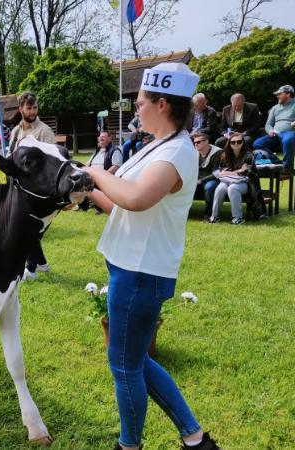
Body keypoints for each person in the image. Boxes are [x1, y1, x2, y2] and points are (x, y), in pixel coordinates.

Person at [82, 62, 221, 450]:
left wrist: (94, 173)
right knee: (136, 360)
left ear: (161, 103)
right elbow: (120, 205)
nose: (135, 108)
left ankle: (129, 446)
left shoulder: (175, 151)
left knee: (124, 366)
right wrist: (83, 190)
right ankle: (195, 439)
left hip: (140, 272)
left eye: (140, 102)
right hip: (130, 266)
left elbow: (137, 198)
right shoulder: (157, 146)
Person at [11, 92, 56, 281]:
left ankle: (30, 269)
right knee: (26, 229)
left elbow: (54, 163)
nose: (32, 111)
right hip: (20, 190)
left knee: (28, 230)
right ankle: (42, 264)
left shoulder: (44, 131)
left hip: (40, 192)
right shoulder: (15, 132)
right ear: (21, 108)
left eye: (35, 107)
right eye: (28, 108)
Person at [253, 85, 295, 170]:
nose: (277, 96)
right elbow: (268, 124)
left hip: (293, 134)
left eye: (279, 94)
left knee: (288, 139)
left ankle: (287, 167)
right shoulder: (275, 108)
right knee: (257, 143)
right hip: (277, 136)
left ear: (288, 94)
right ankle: (279, 163)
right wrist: (270, 131)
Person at [209, 132, 254, 225]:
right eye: (233, 142)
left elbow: (245, 173)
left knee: (232, 188)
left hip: (243, 183)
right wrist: (237, 171)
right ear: (229, 144)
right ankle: (214, 216)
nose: (236, 144)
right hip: (226, 181)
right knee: (220, 188)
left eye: (239, 142)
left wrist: (229, 172)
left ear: (243, 143)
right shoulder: (224, 155)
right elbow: (220, 172)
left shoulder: (249, 155)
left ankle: (237, 218)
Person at [193, 133, 223, 221]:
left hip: (213, 178)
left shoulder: (218, 152)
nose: (196, 144)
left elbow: (217, 173)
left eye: (198, 142)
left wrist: (201, 180)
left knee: (209, 187)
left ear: (206, 142)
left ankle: (208, 214)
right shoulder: (194, 152)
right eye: (194, 142)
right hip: (197, 177)